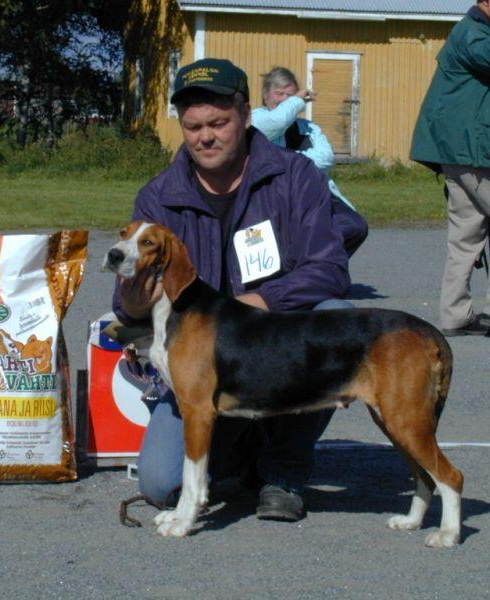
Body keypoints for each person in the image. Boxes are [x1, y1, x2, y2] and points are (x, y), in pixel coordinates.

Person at [111, 58, 351, 521]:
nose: (205, 137)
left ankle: (283, 471)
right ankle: (242, 451)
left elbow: (329, 267)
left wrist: (255, 305)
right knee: (162, 484)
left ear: (245, 114)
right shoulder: (157, 198)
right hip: (201, 365)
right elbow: (128, 308)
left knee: (334, 313)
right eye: (193, 125)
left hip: (280, 345)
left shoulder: (296, 177)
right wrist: (132, 301)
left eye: (219, 123)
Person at [410, 0, 490, 336]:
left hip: (461, 150)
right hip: (477, 151)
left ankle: (455, 315)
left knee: (466, 232)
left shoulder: (476, 31)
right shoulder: (473, 33)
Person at [252, 66, 369, 257]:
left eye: (290, 95)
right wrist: (297, 99)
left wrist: (285, 159)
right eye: (279, 93)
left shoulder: (309, 128)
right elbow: (278, 121)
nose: (284, 99)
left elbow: (326, 159)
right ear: (265, 95)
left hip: (316, 193)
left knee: (355, 226)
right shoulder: (256, 120)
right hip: (275, 198)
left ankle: (319, 268)